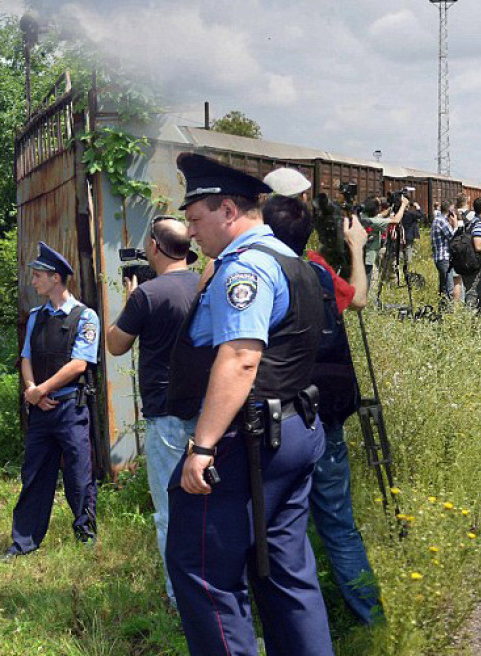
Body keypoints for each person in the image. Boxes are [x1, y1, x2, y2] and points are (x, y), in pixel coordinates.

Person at [165, 153, 333, 656]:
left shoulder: (247, 269)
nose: (191, 232)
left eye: (196, 218)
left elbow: (240, 358)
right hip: (294, 426)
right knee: (285, 572)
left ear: (228, 211)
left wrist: (202, 447)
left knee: (202, 571)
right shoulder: (290, 260)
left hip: (247, 438)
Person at [261, 192, 382, 625]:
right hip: (326, 412)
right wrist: (356, 248)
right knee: (338, 523)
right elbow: (359, 298)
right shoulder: (317, 269)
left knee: (275, 528)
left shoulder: (260, 275)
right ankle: (371, 619)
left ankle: (292, 621)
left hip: (278, 420)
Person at [104, 216, 200, 607]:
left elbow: (115, 345)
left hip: (166, 413)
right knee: (210, 502)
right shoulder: (205, 284)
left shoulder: (147, 295)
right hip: (208, 413)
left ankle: (180, 597)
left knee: (170, 510)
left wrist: (130, 302)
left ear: (155, 248)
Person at [0, 242, 101, 561]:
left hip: (70, 408)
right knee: (35, 476)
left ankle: (85, 535)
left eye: (38, 276)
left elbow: (79, 364)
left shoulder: (86, 317)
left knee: (78, 475)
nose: (33, 281)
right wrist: (32, 390)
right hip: (40, 410)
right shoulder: (36, 316)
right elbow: (26, 356)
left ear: (56, 278)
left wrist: (41, 390)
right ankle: (23, 543)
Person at [361, 194, 408, 291]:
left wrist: (392, 207)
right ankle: (370, 299)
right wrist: (403, 205)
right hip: (368, 259)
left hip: (362, 256)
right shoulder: (374, 222)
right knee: (370, 286)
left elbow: (381, 215)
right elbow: (396, 221)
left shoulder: (363, 216)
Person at [430, 199, 458, 303]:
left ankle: (442, 309)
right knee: (449, 288)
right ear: (450, 210)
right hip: (444, 258)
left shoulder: (438, 220)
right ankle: (449, 310)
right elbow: (453, 237)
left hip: (440, 258)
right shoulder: (441, 221)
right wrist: (455, 225)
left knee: (443, 288)